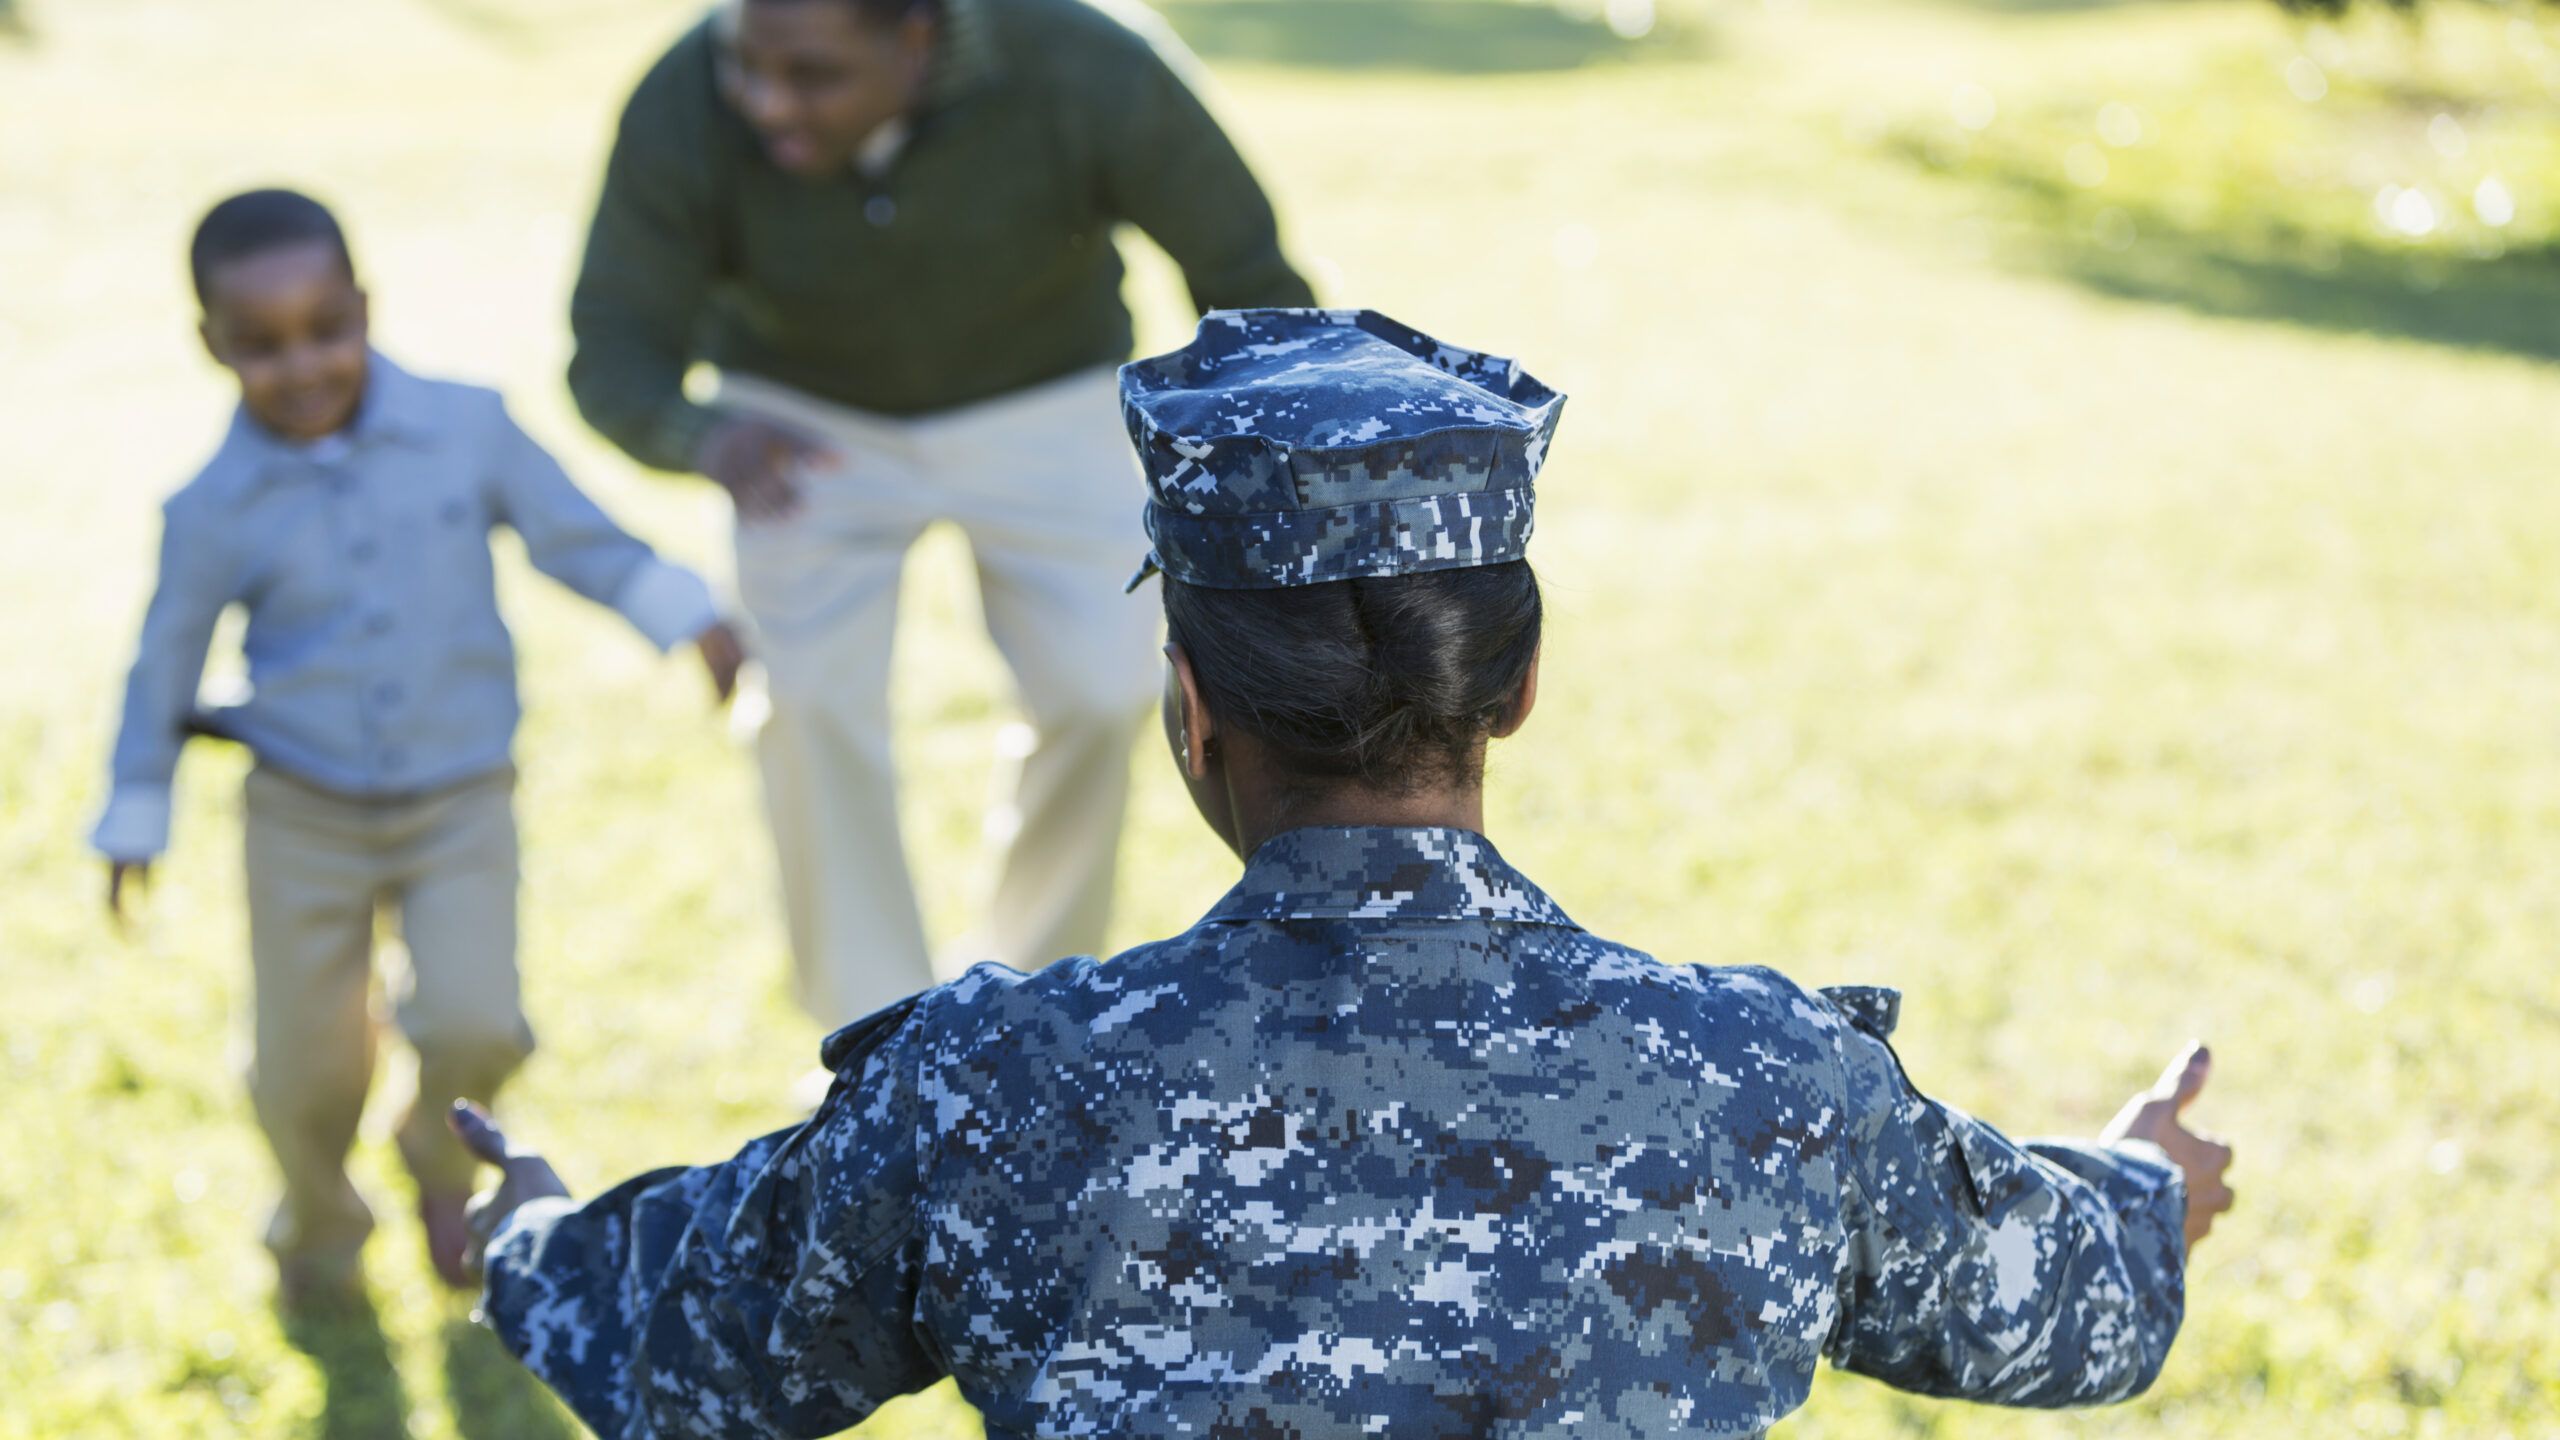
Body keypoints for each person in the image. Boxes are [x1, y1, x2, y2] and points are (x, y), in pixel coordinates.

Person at [459, 309, 2235, 1437]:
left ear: (1190, 709)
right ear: (1519, 690)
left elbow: (680, 1354)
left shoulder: (988, 1086)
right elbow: (2059, 1316)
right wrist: (2147, 1186)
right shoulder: (1772, 1084)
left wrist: (527, 1226)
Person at [568, 0, 1317, 1031]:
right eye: (748, 65)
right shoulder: (686, 92)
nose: (764, 101)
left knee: (1103, 689)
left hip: (1047, 397)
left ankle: (1025, 1017)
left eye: (812, 76)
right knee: (805, 702)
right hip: (799, 420)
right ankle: (872, 1043)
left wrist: (1254, 448)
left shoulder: (1082, 58)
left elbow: (1250, 277)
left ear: (915, 35)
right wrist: (701, 437)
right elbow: (610, 342)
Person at [91, 188, 747, 1304]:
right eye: (261, 346)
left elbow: (573, 535)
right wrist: (136, 804)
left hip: (460, 795)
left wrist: (686, 614)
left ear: (364, 306)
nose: (303, 367)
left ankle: (440, 1158)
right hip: (303, 807)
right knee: (306, 1069)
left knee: (478, 1016)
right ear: (212, 345)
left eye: (327, 329)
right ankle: (315, 1222)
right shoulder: (212, 507)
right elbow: (165, 659)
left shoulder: (467, 426)